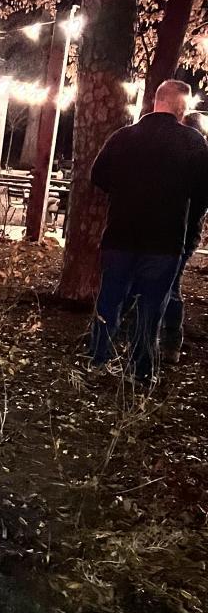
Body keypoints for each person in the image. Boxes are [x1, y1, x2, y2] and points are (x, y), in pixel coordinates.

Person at [88, 79, 208, 386]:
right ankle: (140, 371)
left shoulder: (123, 136)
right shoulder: (192, 142)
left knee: (110, 299)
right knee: (151, 307)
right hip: (164, 241)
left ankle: (98, 359)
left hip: (120, 234)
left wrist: (124, 192)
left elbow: (97, 175)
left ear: (156, 101)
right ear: (182, 106)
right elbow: (204, 190)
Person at [161, 113, 208, 362]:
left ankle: (171, 340)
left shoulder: (194, 160)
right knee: (169, 282)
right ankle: (166, 340)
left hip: (181, 233)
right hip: (184, 233)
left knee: (170, 284)